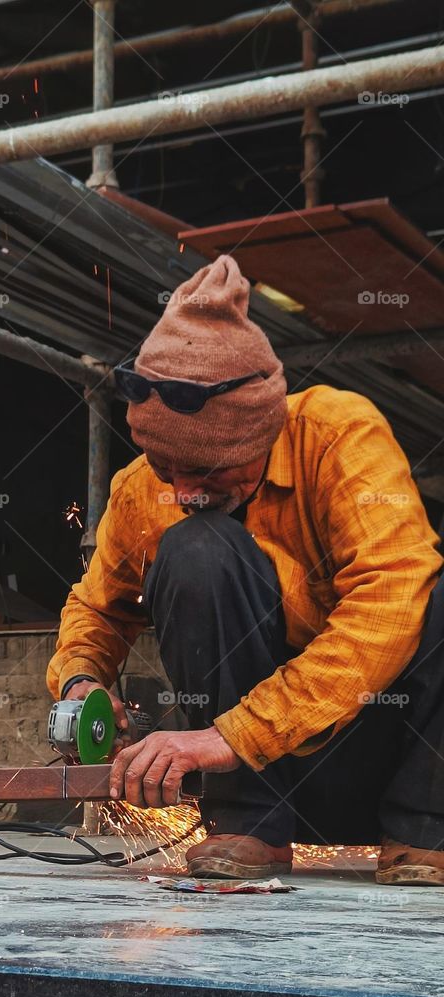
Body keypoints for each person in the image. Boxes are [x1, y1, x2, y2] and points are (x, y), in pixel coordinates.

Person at [47, 254, 444, 886]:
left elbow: (388, 605)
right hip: (262, 788)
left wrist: (229, 737)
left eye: (205, 473)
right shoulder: (142, 490)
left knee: (428, 591)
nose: (183, 490)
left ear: (261, 433)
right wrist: (80, 682)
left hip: (383, 761)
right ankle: (248, 827)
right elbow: (96, 606)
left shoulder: (340, 435)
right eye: (165, 470)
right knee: (195, 548)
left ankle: (426, 831)